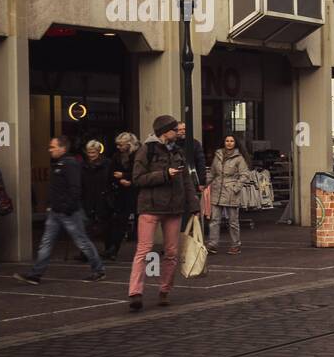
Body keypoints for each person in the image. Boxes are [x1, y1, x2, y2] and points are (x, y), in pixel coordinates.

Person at [128, 114, 200, 311]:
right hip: (150, 207)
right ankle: (135, 292)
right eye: (174, 130)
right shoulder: (146, 151)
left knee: (171, 252)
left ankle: (164, 290)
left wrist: (194, 205)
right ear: (164, 132)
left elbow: (186, 181)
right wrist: (164, 175)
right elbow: (137, 178)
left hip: (174, 208)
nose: (178, 133)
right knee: (143, 250)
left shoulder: (178, 152)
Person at [15, 136, 105, 285]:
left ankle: (99, 269)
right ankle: (35, 274)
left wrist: (67, 207)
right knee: (47, 242)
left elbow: (75, 188)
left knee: (81, 241)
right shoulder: (60, 164)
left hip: (67, 212)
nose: (50, 149)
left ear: (62, 148)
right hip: (56, 211)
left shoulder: (69, 164)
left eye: (53, 147)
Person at [207, 134, 249, 255]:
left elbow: (244, 175)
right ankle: (212, 244)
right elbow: (212, 172)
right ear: (224, 142)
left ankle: (236, 244)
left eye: (231, 141)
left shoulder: (239, 158)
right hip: (217, 191)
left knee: (233, 221)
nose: (229, 143)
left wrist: (236, 188)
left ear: (235, 143)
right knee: (215, 220)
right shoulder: (218, 155)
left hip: (231, 192)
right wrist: (204, 184)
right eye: (227, 141)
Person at [104, 132, 139, 259]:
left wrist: (125, 177)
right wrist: (119, 180)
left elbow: (140, 173)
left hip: (136, 192)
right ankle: (113, 249)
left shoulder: (138, 155)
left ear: (128, 144)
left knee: (140, 222)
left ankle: (141, 251)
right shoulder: (116, 156)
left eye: (121, 145)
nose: (118, 147)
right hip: (121, 193)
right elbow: (111, 174)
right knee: (119, 221)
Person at [80, 140, 114, 255]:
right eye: (89, 152)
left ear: (98, 152)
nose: (91, 155)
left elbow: (110, 181)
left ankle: (109, 250)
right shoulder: (84, 165)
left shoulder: (107, 164)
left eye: (93, 152)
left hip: (103, 198)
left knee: (106, 226)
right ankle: (85, 252)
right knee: (87, 226)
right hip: (88, 198)